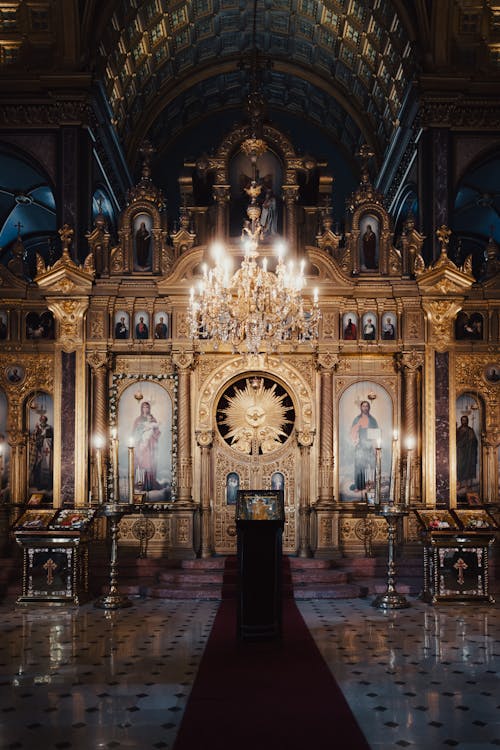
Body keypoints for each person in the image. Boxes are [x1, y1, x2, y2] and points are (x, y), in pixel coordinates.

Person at [349, 400, 379, 492]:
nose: (365, 408)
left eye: (367, 406)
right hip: (360, 445)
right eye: (363, 406)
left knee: (371, 465)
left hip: (370, 446)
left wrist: (374, 447)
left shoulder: (373, 420)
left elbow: (375, 434)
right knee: (359, 466)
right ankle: (359, 486)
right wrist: (358, 427)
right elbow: (353, 432)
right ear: (361, 408)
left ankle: (370, 485)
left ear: (369, 408)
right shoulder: (357, 419)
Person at [132, 401, 160, 491]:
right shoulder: (138, 420)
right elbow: (134, 433)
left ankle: (149, 484)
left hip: (150, 445)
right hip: (140, 445)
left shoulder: (153, 419)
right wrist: (141, 432)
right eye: (144, 407)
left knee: (149, 463)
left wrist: (152, 434)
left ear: (149, 409)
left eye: (147, 407)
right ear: (141, 408)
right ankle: (140, 484)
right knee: (141, 463)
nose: (145, 409)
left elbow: (157, 431)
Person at [30, 414, 53, 490]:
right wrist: (38, 434)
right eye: (41, 419)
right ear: (40, 420)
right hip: (39, 451)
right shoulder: (37, 428)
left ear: (46, 420)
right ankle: (39, 485)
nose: (43, 421)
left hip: (47, 450)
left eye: (44, 419)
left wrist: (45, 436)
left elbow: (51, 438)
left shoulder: (49, 428)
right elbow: (33, 439)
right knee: (38, 467)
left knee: (49, 467)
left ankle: (48, 486)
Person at [456, 415, 478, 489]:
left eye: (465, 420)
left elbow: (475, 441)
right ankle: (459, 484)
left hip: (468, 453)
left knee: (467, 467)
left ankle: (467, 484)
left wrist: (471, 441)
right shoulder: (458, 430)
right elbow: (455, 440)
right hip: (460, 452)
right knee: (459, 467)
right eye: (463, 420)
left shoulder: (470, 430)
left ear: (467, 421)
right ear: (461, 421)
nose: (464, 421)